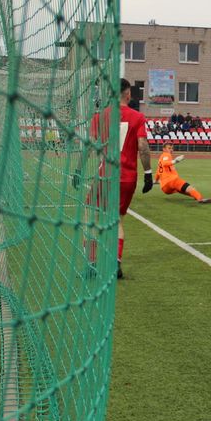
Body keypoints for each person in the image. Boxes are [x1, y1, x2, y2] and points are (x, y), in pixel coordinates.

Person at [88, 79, 152, 279]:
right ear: (128, 94)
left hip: (104, 174)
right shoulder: (138, 117)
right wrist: (148, 173)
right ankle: (116, 263)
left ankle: (91, 263)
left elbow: (89, 146)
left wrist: (77, 170)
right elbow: (142, 146)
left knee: (92, 218)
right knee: (118, 221)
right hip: (127, 177)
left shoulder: (99, 117)